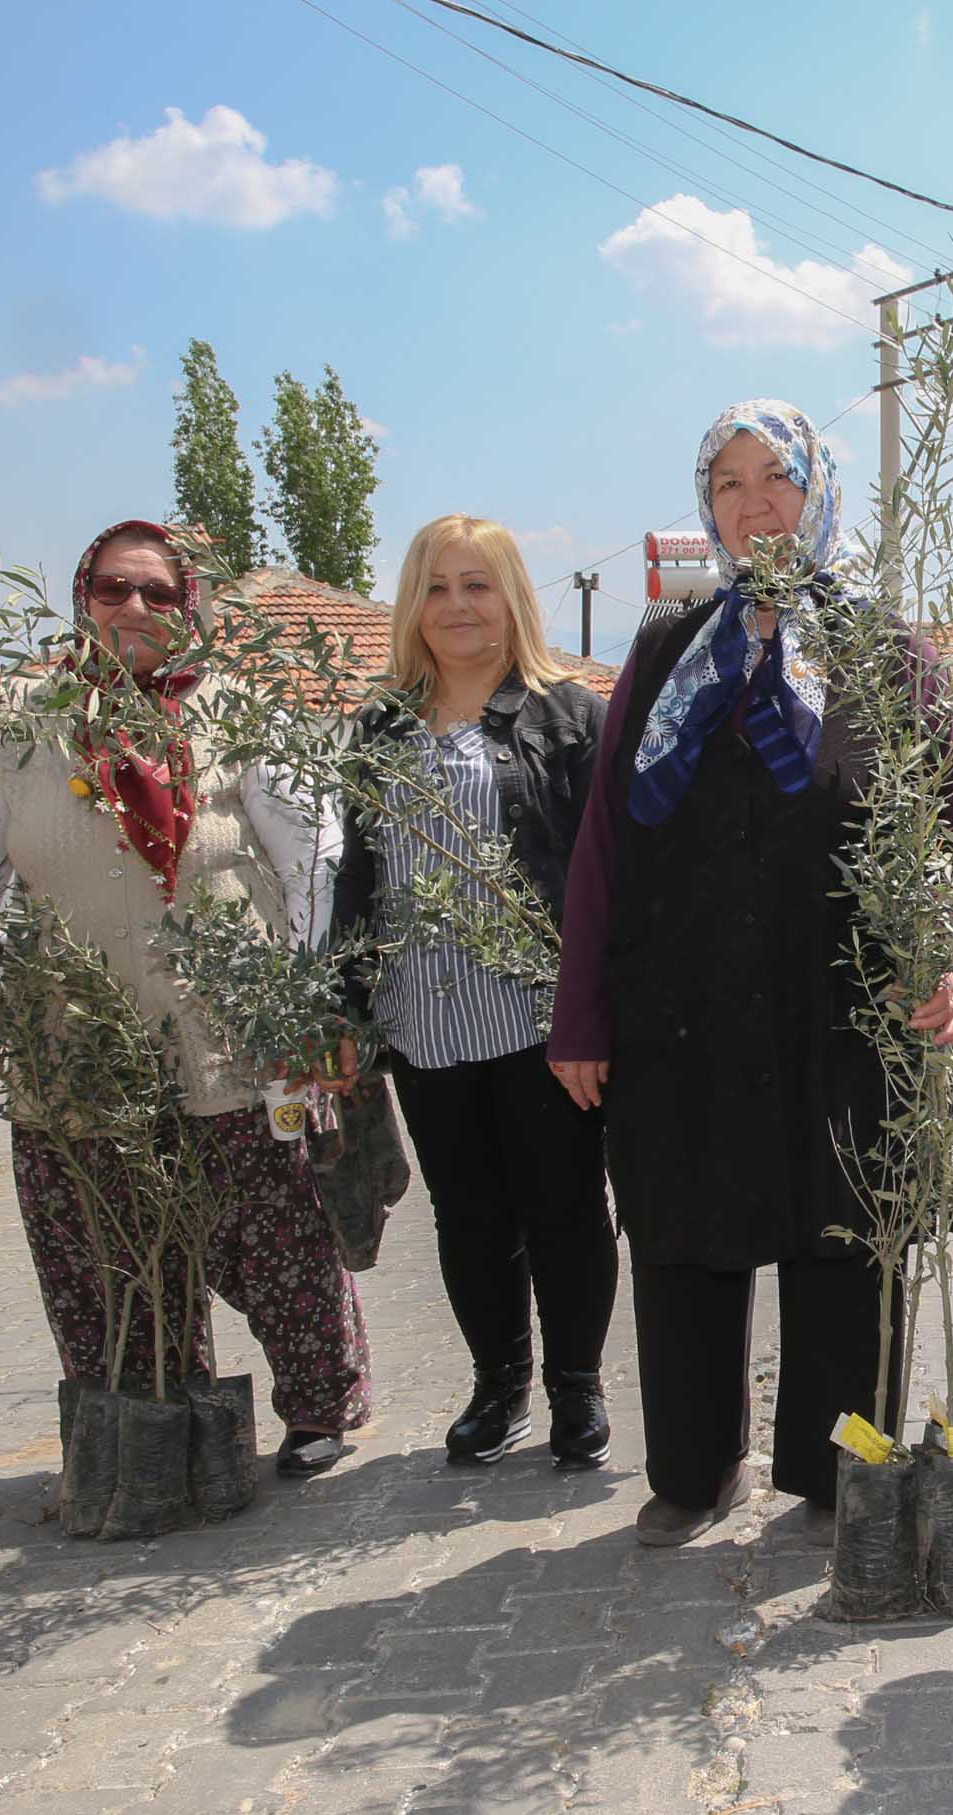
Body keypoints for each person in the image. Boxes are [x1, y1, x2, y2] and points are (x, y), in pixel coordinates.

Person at [548, 400, 953, 1549]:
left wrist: (938, 957)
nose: (753, 503)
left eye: (774, 477)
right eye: (728, 482)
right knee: (684, 1232)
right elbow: (601, 847)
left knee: (844, 1236)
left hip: (843, 1013)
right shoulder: (661, 653)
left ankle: (840, 1475)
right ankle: (694, 1469)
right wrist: (580, 1013)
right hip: (678, 1012)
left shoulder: (884, 653)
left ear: (817, 491)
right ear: (708, 509)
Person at [0, 519, 375, 1480]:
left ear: (189, 608)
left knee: (271, 1227)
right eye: (115, 590)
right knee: (102, 1239)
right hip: (76, 1037)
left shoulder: (240, 711)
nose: (134, 609)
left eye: (158, 594)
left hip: (231, 1034)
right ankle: (147, 1412)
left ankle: (317, 1406)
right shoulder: (14, 723)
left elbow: (312, 862)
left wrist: (310, 1002)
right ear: (81, 598)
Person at [332, 515, 615, 1469]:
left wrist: (596, 1009)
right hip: (425, 1022)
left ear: (512, 599)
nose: (456, 607)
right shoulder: (377, 729)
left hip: (540, 1023)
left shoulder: (569, 718)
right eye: (438, 587)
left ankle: (577, 1387)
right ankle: (500, 1386)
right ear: (413, 605)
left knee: (565, 1207)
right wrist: (347, 1008)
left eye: (477, 585)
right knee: (468, 1215)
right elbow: (357, 879)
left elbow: (605, 875)